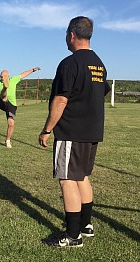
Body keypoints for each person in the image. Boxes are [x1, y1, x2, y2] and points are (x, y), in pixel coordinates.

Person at [38, 16, 111, 247]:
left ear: (71, 35)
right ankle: (86, 225)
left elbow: (60, 100)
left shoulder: (70, 63)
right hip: (92, 131)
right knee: (82, 177)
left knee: (67, 179)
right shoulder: (99, 64)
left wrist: (47, 129)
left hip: (71, 131)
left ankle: (72, 236)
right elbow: (103, 90)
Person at [0, 67, 41, 148]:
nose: (2, 78)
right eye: (1, 77)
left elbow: (23, 74)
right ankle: (5, 88)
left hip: (11, 105)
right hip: (1, 102)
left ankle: (8, 140)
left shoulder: (13, 79)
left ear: (8, 76)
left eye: (5, 77)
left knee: (11, 123)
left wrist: (33, 70)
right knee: (4, 97)